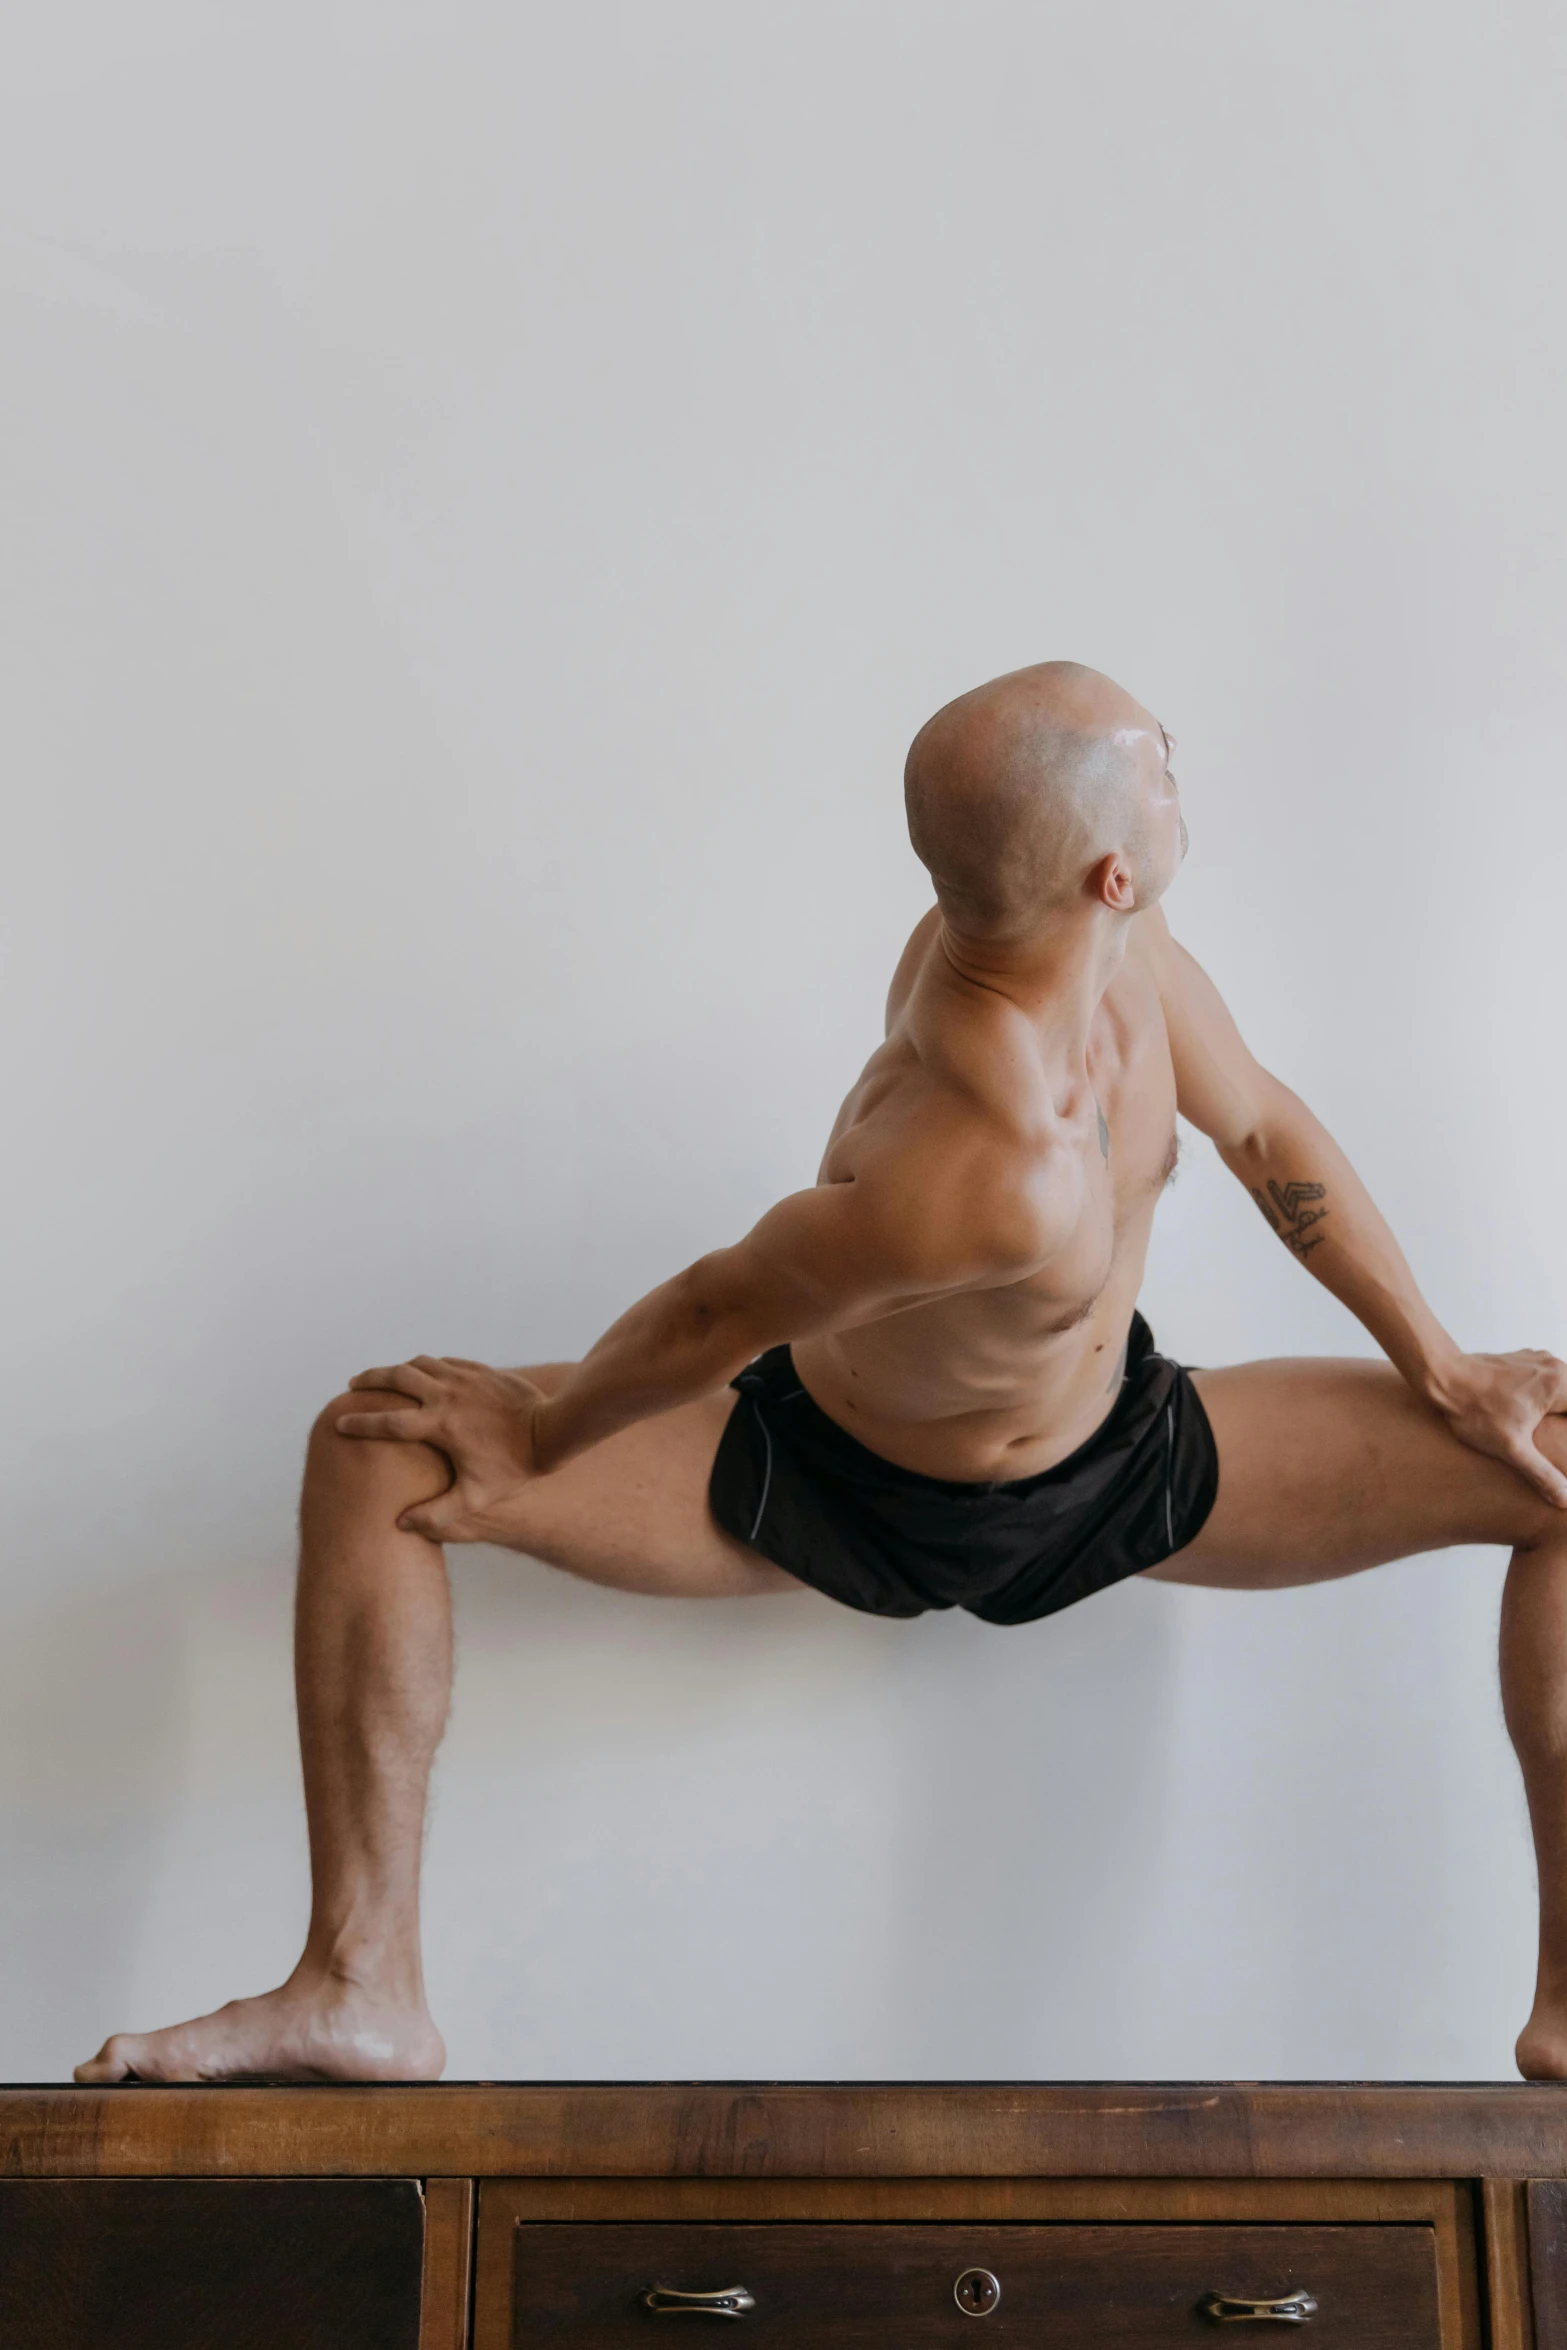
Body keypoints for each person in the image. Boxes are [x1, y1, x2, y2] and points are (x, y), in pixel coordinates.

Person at [76, 661, 1567, 2086]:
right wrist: (542, 1426)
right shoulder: (983, 1160)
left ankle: (1566, 2007)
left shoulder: (1121, 946)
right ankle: (361, 1983)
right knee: (380, 1444)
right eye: (1156, 759)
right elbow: (724, 1299)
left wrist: (1440, 1367)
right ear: (1109, 870)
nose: (1178, 759)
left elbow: (1264, 1135)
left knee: (1553, 1450)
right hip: (836, 1483)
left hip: (1116, 1448)